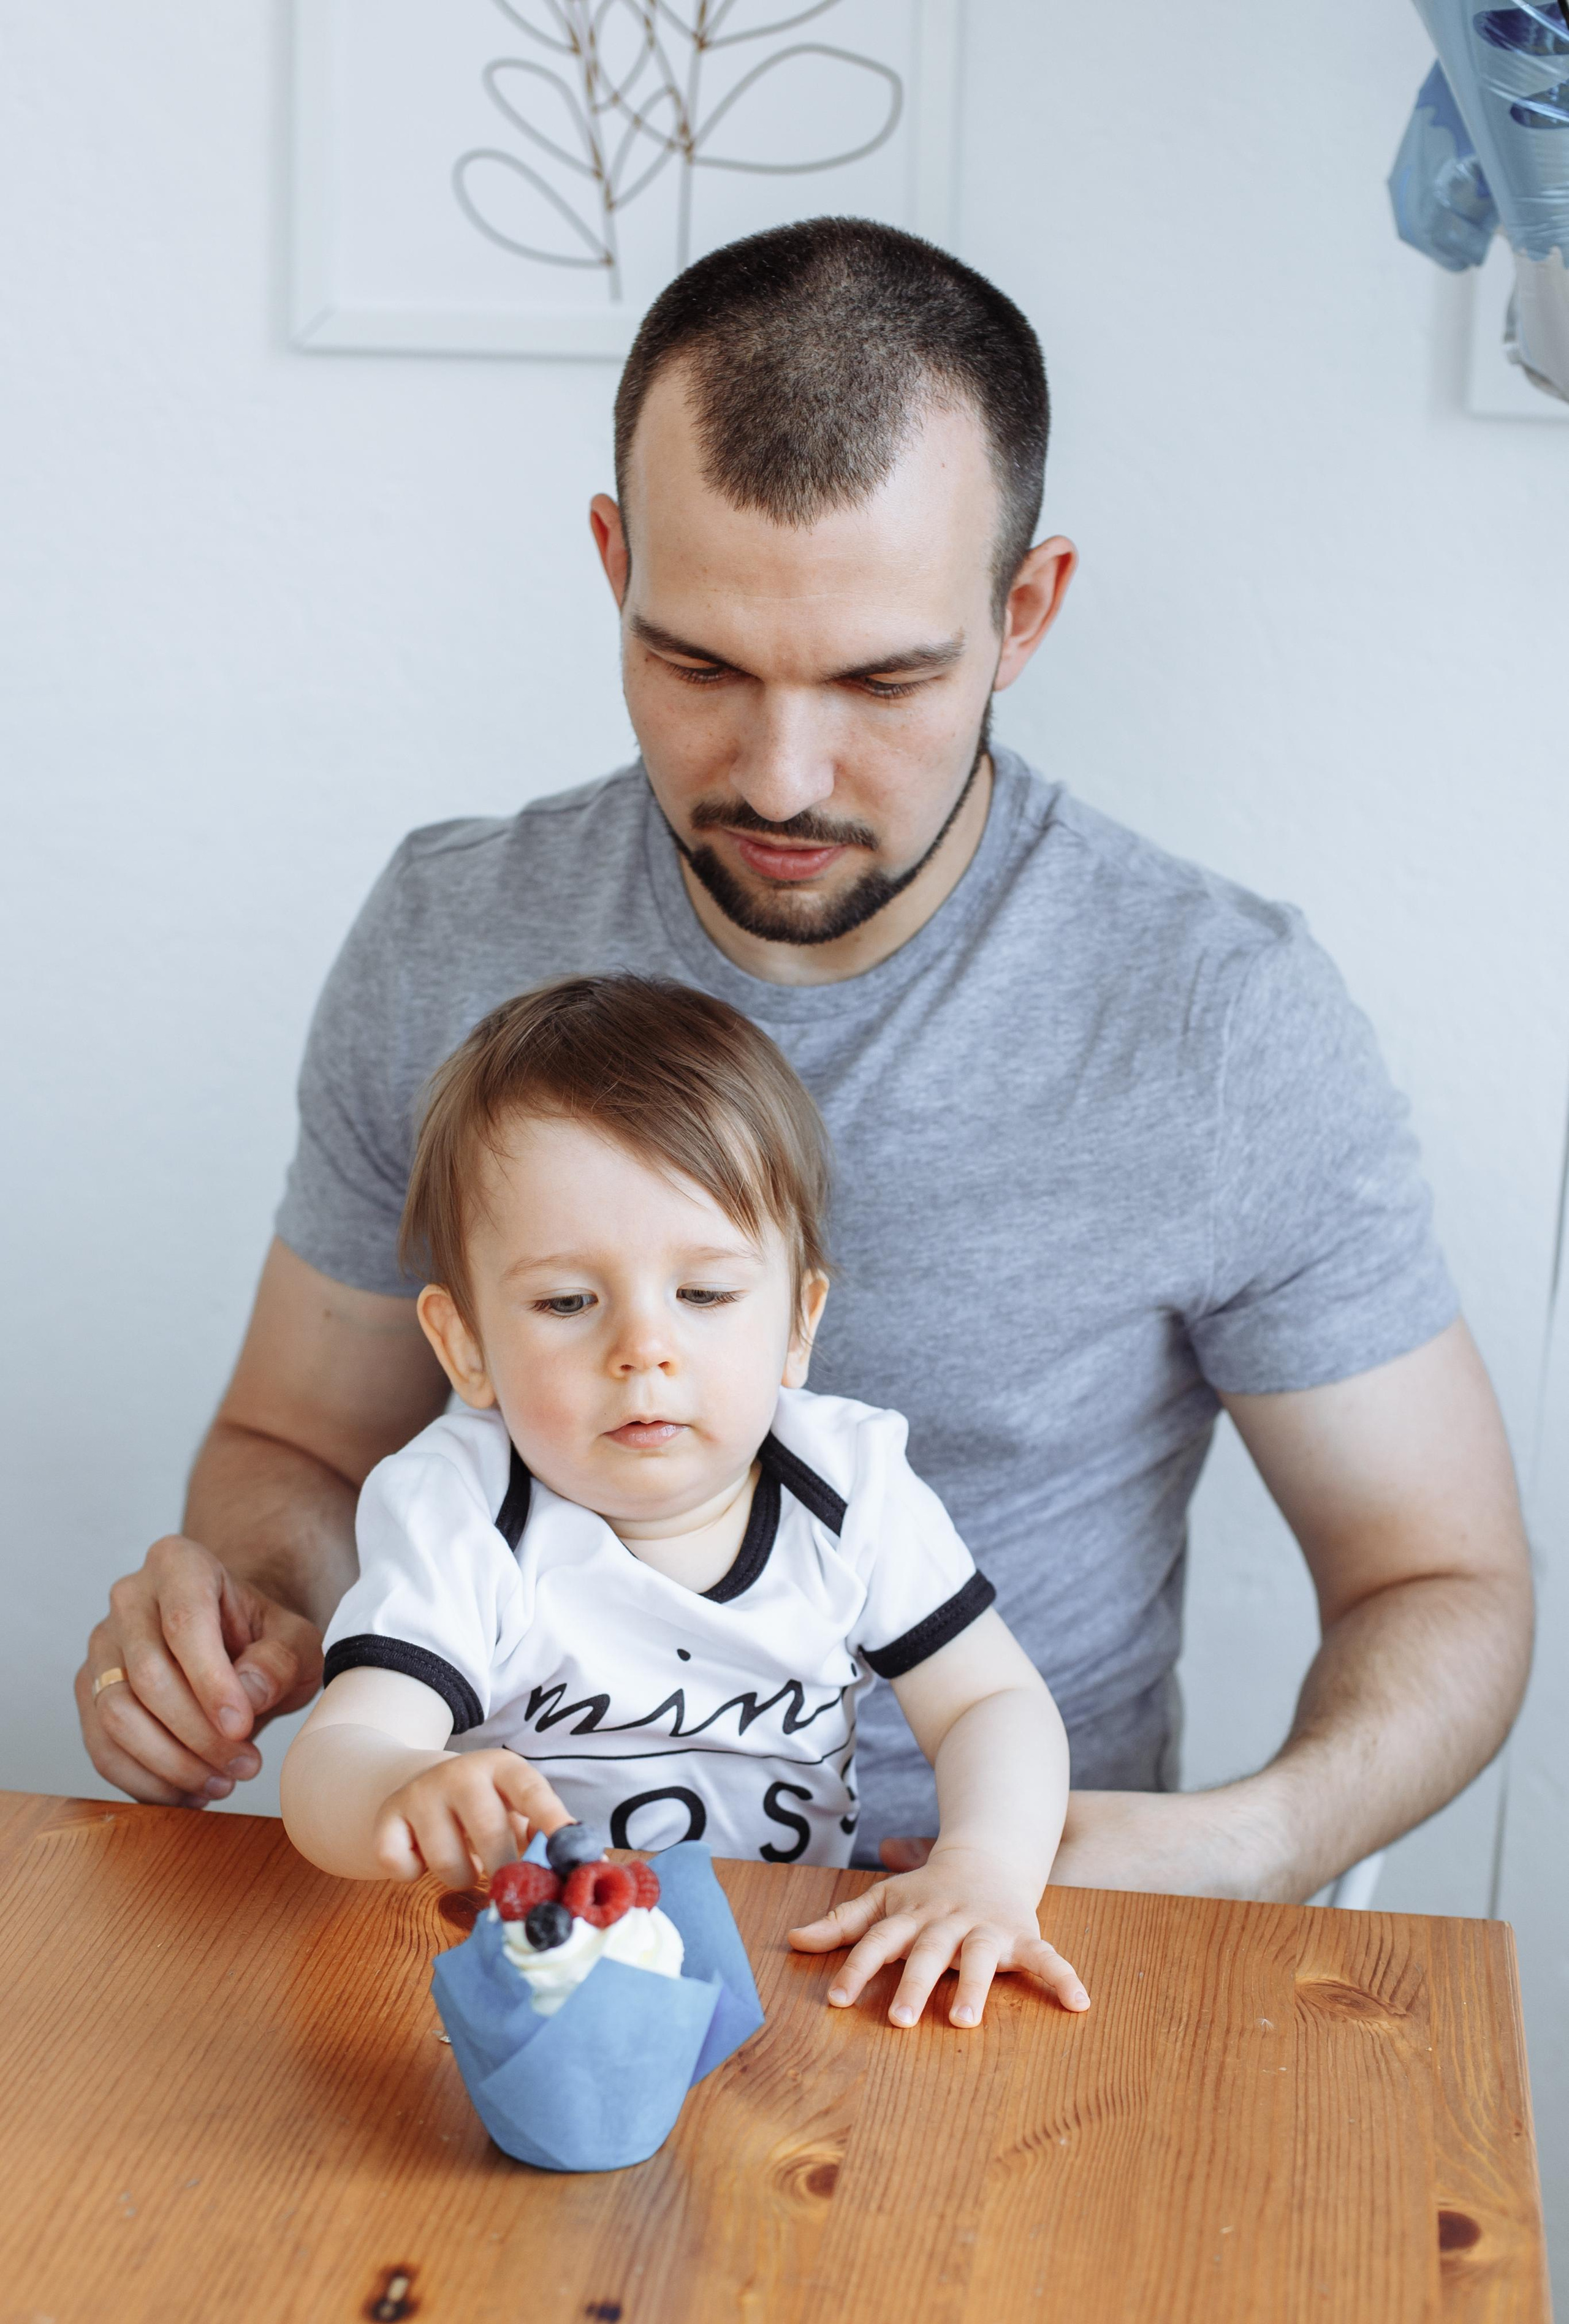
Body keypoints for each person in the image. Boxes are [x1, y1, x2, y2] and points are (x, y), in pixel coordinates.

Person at [79, 217, 1532, 1902]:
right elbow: (299, 1450)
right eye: (696, 661)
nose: (778, 775)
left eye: (885, 677)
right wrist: (253, 1615)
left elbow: (1443, 1578)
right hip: (507, 1913)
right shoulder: (450, 933)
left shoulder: (1214, 1015)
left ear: (1026, 612)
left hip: (975, 1936)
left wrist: (1263, 1835)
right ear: (614, 564)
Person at [280, 974, 1090, 2031]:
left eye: (705, 1295)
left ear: (798, 1325)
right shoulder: (461, 1508)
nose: (643, 1350)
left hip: (785, 1968)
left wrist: (985, 1869)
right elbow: (330, 1763)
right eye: (568, 1302)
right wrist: (396, 1787)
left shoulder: (850, 1485)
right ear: (465, 1345)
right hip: (538, 1984)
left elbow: (993, 1704)